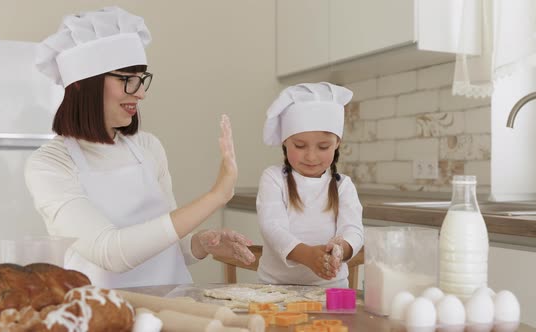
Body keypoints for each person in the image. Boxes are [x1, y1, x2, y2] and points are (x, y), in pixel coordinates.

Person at [24, 6, 255, 288]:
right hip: (104, 316)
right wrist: (216, 196)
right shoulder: (51, 163)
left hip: (171, 308)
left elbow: (169, 244)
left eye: (141, 79)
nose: (141, 93)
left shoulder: (148, 147)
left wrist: (200, 244)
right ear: (86, 85)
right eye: (127, 80)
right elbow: (111, 253)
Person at [256, 82, 364, 288]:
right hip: (274, 289)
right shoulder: (273, 178)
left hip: (330, 290)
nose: (311, 156)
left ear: (337, 143)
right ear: (285, 142)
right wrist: (308, 256)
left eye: (323, 147)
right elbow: (273, 228)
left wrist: (341, 248)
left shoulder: (343, 186)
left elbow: (353, 229)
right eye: (300, 145)